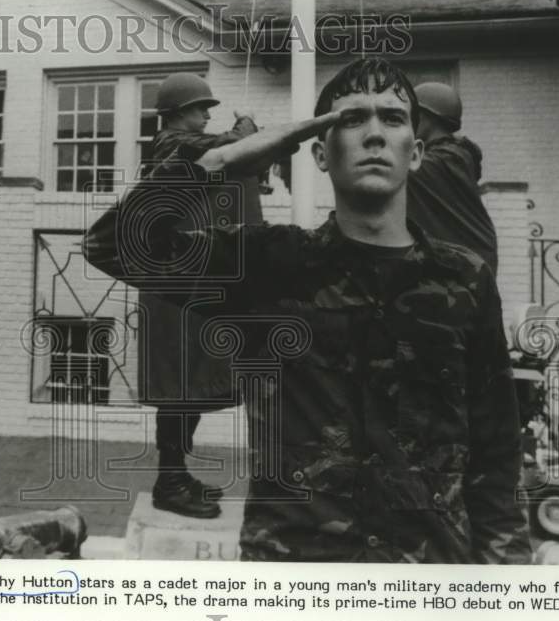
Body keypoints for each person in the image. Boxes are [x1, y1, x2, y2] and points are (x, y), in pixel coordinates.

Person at [84, 57, 531, 563]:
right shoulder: (271, 265)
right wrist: (216, 162)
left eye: (392, 117)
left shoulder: (464, 280)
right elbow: (112, 246)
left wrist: (502, 596)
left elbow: (496, 461)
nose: (375, 134)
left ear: (418, 152)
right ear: (319, 152)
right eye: (352, 119)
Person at [140, 72, 266, 519]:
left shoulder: (182, 145)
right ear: (176, 112)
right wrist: (247, 122)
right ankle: (169, 481)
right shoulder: (173, 143)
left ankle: (176, 475)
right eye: (200, 108)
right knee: (178, 388)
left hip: (182, 283)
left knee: (187, 386)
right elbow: (232, 144)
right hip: (173, 287)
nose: (207, 114)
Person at [406, 82, 499, 274]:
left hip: (466, 270)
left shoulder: (444, 160)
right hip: (466, 263)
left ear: (426, 118)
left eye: (411, 116)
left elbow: (393, 171)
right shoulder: (455, 156)